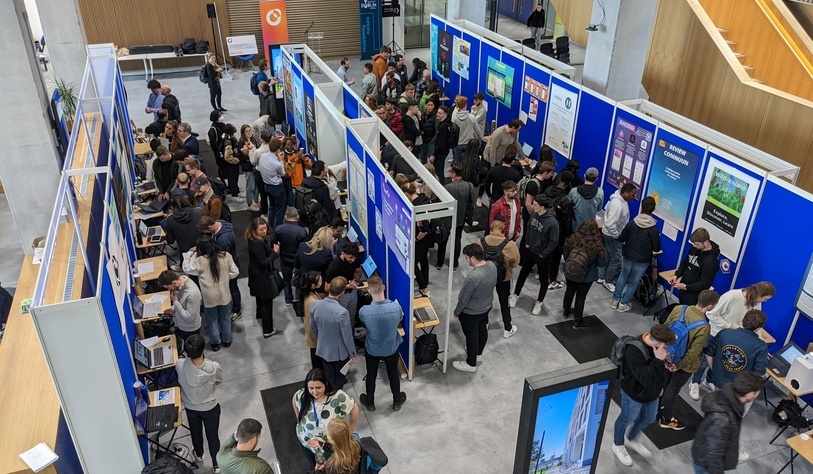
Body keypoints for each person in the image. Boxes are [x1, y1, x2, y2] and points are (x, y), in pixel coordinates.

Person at [689, 282, 775, 398]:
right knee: (705, 360)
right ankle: (695, 382)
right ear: (759, 294)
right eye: (765, 299)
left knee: (719, 362)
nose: (764, 302)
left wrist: (760, 344)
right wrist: (730, 326)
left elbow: (756, 326)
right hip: (716, 334)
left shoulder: (756, 303)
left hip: (733, 337)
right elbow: (711, 314)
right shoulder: (732, 296)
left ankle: (709, 381)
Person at [612, 324, 676, 467]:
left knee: (649, 418)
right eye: (665, 347)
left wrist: (660, 382)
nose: (666, 350)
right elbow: (645, 378)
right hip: (633, 393)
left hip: (651, 393)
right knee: (626, 419)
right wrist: (659, 360)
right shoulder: (634, 351)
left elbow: (655, 371)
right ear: (656, 344)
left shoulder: (657, 349)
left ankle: (632, 438)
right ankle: (617, 444)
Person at [659, 290, 719, 431]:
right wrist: (678, 365)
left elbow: (665, 328)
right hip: (683, 366)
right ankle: (666, 419)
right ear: (709, 306)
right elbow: (693, 353)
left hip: (666, 355)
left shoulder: (679, 308)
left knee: (664, 382)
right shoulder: (704, 327)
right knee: (673, 390)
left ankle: (656, 405)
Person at [691, 372, 764, 474]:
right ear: (750, 393)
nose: (756, 396)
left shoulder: (726, 396)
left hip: (704, 453)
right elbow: (713, 454)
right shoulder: (723, 419)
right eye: (756, 393)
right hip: (706, 464)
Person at [358, 276, 407, 412]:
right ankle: (397, 401)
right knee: (393, 374)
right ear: (383, 287)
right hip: (391, 347)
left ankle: (370, 402)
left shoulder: (364, 311)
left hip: (372, 349)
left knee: (371, 374)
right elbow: (399, 320)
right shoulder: (396, 308)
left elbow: (363, 324)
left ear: (368, 290)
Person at [175, 334, 222, 472]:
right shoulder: (214, 367)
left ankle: (199, 454)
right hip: (210, 407)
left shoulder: (179, 365)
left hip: (190, 407)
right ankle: (216, 465)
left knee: (195, 432)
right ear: (203, 351)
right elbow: (220, 380)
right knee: (213, 436)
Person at [292, 369, 359, 465]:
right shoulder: (302, 395)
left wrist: (350, 430)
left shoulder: (338, 397)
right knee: (313, 466)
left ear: (326, 384)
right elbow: (294, 400)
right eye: (311, 388)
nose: (314, 392)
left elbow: (354, 410)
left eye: (318, 387)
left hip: (330, 445)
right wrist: (299, 420)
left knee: (330, 466)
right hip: (307, 442)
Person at [183, 237, 239, 351]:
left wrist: (189, 254)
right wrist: (225, 278)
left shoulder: (199, 261)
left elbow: (186, 268)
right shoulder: (226, 256)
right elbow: (235, 272)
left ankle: (215, 343)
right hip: (224, 294)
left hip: (209, 296)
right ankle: (226, 340)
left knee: (212, 320)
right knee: (225, 318)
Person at [453, 244, 498, 373]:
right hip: (486, 306)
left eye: (466, 258)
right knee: (482, 330)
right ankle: (478, 354)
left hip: (471, 313)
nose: (466, 260)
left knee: (471, 337)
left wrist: (457, 311)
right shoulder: (492, 266)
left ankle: (471, 363)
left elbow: (463, 298)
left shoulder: (472, 277)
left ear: (473, 258)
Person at [510, 196, 559, 315]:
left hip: (542, 256)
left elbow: (554, 242)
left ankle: (539, 302)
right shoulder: (534, 214)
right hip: (530, 251)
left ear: (542, 207)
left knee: (543, 280)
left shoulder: (552, 223)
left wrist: (544, 254)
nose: (532, 206)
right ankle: (515, 294)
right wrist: (527, 242)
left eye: (535, 205)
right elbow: (529, 228)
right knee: (522, 274)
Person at [611, 196, 661, 313]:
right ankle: (623, 303)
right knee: (634, 281)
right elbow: (657, 247)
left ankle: (615, 300)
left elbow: (622, 237)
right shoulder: (653, 229)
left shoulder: (632, 223)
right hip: (642, 260)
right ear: (653, 209)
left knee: (623, 277)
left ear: (641, 207)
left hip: (628, 255)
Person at [705, 310, 769, 393]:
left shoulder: (724, 333)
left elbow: (708, 353)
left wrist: (714, 370)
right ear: (758, 328)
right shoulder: (761, 347)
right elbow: (759, 374)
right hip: (739, 388)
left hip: (717, 380)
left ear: (743, 321)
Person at [310, 277, 357, 388]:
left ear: (329, 286)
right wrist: (352, 353)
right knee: (339, 378)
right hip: (339, 353)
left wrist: (322, 338)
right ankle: (336, 398)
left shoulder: (315, 305)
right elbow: (347, 337)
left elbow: (312, 327)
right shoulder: (342, 313)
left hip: (323, 349)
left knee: (329, 375)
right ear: (342, 291)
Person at [562, 220, 609, 330]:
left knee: (569, 291)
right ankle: (578, 321)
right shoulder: (596, 245)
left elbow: (565, 255)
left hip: (571, 272)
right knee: (580, 297)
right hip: (586, 277)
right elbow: (602, 263)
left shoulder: (572, 239)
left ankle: (566, 310)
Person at [480, 216, 520, 338]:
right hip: (503, 278)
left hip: (486, 277)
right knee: (504, 303)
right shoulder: (509, 245)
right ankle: (507, 328)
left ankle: (485, 323)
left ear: (491, 225)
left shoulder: (481, 242)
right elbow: (516, 262)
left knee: (485, 301)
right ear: (504, 227)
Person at [198, 216, 241, 320]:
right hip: (232, 259)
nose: (204, 233)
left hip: (229, 265)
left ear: (210, 227)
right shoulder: (221, 223)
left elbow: (221, 258)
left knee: (233, 287)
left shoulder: (223, 241)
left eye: (204, 231)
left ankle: (236, 310)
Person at [245, 217, 281, 338]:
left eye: (265, 228)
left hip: (256, 274)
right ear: (255, 230)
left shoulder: (253, 239)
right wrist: (275, 253)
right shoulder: (257, 244)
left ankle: (259, 314)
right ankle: (268, 329)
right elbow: (263, 261)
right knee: (267, 301)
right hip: (262, 276)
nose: (264, 231)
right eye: (261, 229)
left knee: (260, 297)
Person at [598, 183, 636, 293]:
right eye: (632, 195)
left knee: (608, 255)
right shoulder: (617, 205)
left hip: (611, 235)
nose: (634, 197)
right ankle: (608, 281)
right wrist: (617, 236)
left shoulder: (622, 201)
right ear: (625, 193)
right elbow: (610, 224)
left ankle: (602, 276)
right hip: (612, 236)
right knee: (616, 260)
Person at [438, 163, 476, 270]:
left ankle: (439, 263)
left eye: (450, 171)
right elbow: (471, 202)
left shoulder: (447, 188)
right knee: (457, 240)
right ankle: (454, 263)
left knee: (443, 240)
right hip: (461, 218)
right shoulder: (469, 186)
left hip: (447, 218)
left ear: (454, 173)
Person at [670, 228, 721, 305]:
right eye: (693, 243)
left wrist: (685, 286)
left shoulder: (711, 262)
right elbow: (685, 263)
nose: (694, 246)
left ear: (706, 242)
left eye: (697, 244)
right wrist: (676, 275)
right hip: (684, 289)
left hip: (694, 296)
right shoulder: (695, 249)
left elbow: (704, 284)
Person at [157, 270, 202, 347]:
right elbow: (181, 303)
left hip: (190, 329)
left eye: (168, 287)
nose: (169, 290)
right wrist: (172, 309)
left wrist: (175, 302)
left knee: (193, 352)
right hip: (180, 325)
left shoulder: (192, 294)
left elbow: (189, 318)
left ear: (174, 283)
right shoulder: (180, 282)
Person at [403, 182, 433, 295]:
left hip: (422, 239)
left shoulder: (417, 207)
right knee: (423, 259)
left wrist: (416, 239)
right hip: (429, 238)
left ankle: (423, 287)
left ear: (407, 194)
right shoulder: (424, 198)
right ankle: (425, 279)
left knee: (413, 263)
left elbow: (423, 229)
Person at [275, 207, 308, 306]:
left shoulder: (279, 229)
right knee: (299, 279)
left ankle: (288, 299)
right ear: (297, 217)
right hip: (298, 260)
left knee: (286, 279)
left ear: (285, 217)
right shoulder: (302, 232)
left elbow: (272, 241)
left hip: (284, 259)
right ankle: (298, 299)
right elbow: (305, 247)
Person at [163, 191, 204, 256]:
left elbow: (170, 241)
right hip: (203, 249)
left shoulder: (170, 219)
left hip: (185, 253)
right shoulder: (199, 211)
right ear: (186, 198)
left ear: (172, 202)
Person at [258, 138, 287, 227]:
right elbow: (283, 173)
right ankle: (278, 228)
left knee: (272, 207)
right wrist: (280, 160)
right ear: (278, 149)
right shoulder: (277, 163)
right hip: (277, 188)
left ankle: (270, 226)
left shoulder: (263, 156)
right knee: (280, 209)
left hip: (267, 186)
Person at [301, 271, 326, 369]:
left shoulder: (308, 295)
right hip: (316, 338)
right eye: (320, 281)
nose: (322, 282)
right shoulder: (314, 302)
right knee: (318, 363)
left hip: (311, 336)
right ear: (313, 285)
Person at [569, 167, 604, 232]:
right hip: (590, 228)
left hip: (575, 227)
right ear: (596, 179)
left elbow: (569, 208)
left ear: (584, 175)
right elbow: (599, 209)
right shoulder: (600, 193)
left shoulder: (573, 191)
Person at [451, 96, 483, 162]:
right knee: (468, 162)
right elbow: (478, 131)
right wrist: (480, 139)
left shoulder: (454, 117)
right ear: (466, 104)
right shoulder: (471, 117)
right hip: (469, 144)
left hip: (458, 143)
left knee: (457, 163)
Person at [237, 124, 261, 211]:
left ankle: (256, 201)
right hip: (248, 167)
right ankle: (249, 203)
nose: (249, 133)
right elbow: (239, 156)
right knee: (250, 186)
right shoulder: (241, 143)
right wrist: (248, 157)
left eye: (250, 130)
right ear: (243, 133)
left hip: (256, 165)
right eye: (247, 131)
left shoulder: (254, 140)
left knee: (257, 185)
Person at [420, 98, 437, 164]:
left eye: (431, 105)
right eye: (428, 105)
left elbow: (436, 130)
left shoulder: (435, 117)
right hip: (423, 140)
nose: (430, 107)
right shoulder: (422, 116)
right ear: (425, 106)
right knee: (423, 159)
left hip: (431, 141)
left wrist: (433, 141)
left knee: (431, 160)